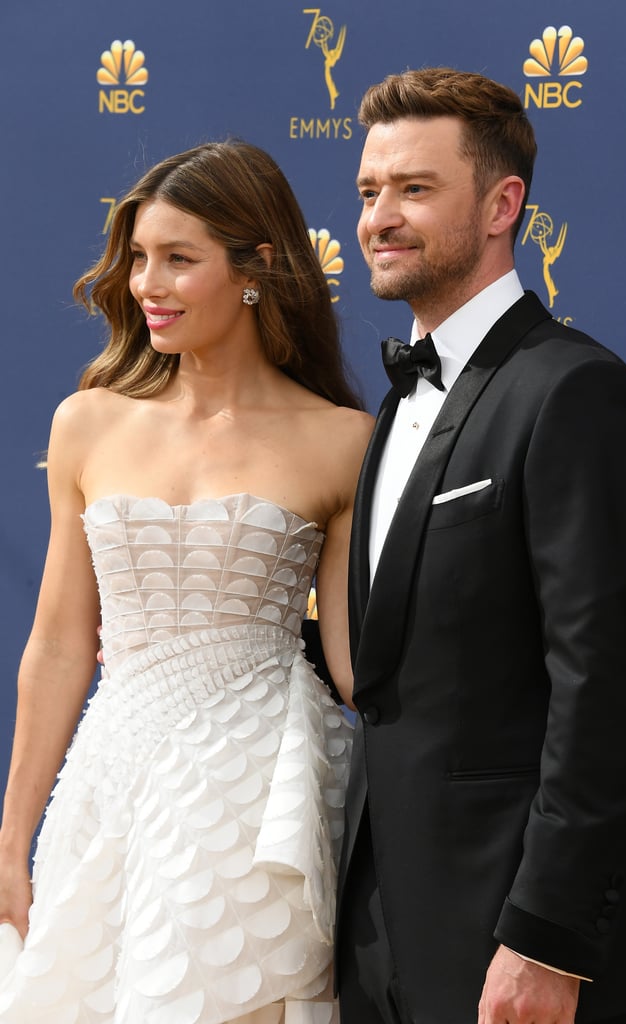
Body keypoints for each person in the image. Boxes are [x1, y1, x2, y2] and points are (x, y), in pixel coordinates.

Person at [0, 139, 372, 1023]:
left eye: (178, 259)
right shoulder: (87, 422)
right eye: (136, 257)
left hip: (254, 790)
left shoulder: (342, 440)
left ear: (258, 270)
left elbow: (360, 669)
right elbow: (58, 643)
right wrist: (14, 838)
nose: (145, 285)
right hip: (109, 773)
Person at [335, 68, 626, 1024]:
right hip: (375, 934)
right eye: (368, 192)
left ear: (501, 205)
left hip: (510, 944)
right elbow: (403, 658)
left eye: (413, 190)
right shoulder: (397, 399)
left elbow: (601, 688)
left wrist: (544, 937)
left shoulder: (574, 393)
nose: (378, 218)